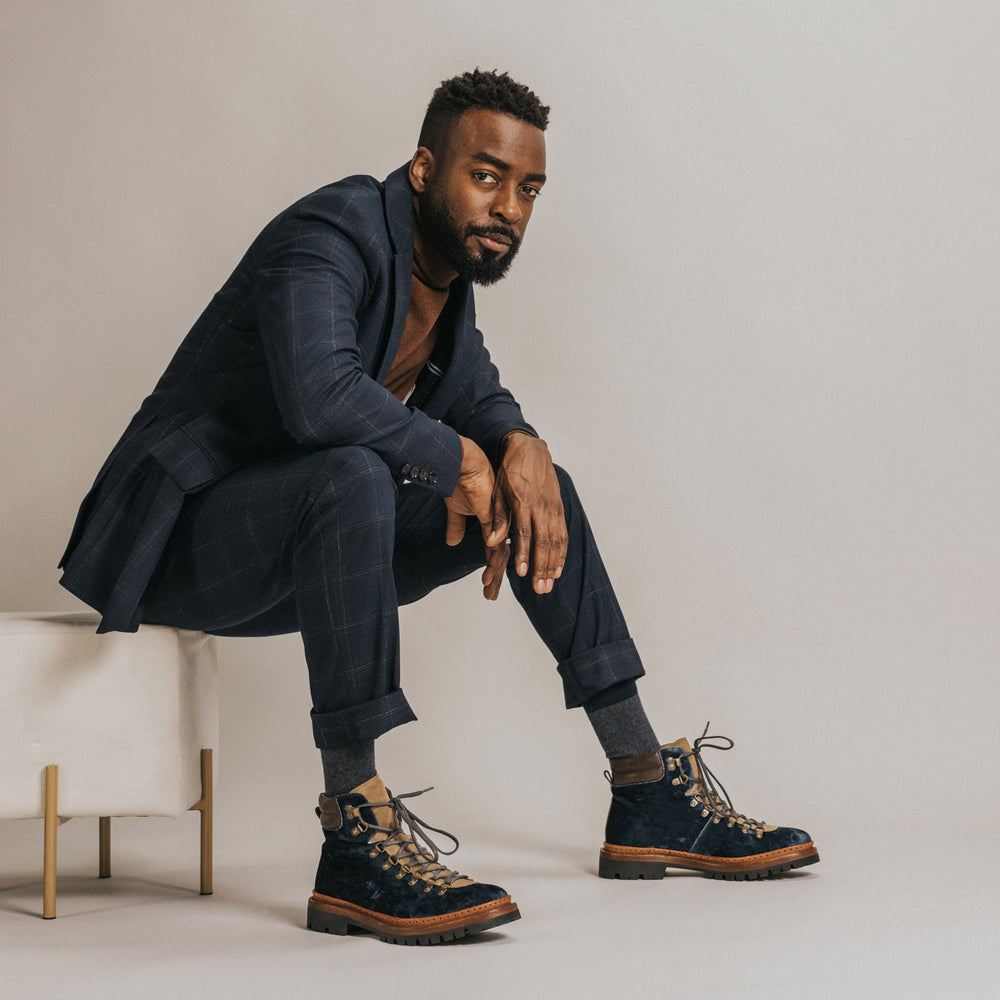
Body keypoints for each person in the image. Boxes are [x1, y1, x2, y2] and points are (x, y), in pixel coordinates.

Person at [58, 69, 819, 946]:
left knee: (544, 491)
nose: (508, 207)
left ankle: (645, 789)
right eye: (486, 176)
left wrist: (520, 445)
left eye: (528, 188)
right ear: (424, 170)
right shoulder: (330, 233)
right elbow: (318, 397)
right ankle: (357, 833)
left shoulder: (443, 283)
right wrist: (459, 456)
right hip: (179, 544)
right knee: (353, 472)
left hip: (315, 553)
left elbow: (480, 395)